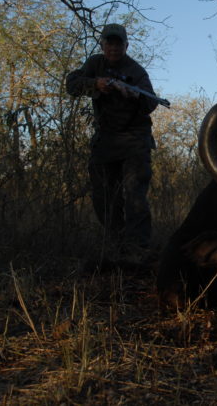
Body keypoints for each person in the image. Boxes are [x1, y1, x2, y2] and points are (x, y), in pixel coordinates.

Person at [66, 23, 158, 256]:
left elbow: (151, 102)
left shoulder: (137, 71)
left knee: (135, 195)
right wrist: (95, 84)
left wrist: (135, 96)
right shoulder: (95, 64)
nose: (114, 48)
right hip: (106, 140)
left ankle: (138, 249)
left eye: (118, 44)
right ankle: (116, 244)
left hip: (135, 140)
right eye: (110, 43)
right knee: (103, 195)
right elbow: (72, 84)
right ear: (103, 45)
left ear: (126, 46)